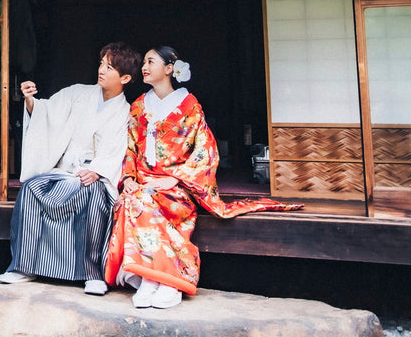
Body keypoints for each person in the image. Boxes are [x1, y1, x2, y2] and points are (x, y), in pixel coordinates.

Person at [105, 46, 301, 309]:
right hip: (145, 180)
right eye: (145, 62)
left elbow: (205, 150)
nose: (145, 66)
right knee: (132, 197)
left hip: (178, 185)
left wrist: (174, 178)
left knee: (144, 200)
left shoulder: (189, 105)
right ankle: (152, 278)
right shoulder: (139, 105)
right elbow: (129, 146)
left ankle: (167, 280)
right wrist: (128, 176)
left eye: (151, 61)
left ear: (169, 69)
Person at [0, 41, 142, 295]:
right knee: (30, 189)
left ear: (126, 78)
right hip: (64, 171)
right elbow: (46, 112)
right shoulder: (78, 93)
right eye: (101, 64)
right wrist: (30, 101)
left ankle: (91, 273)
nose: (102, 70)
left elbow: (120, 148)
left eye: (109, 67)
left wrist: (98, 170)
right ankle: (23, 266)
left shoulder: (125, 111)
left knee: (94, 194)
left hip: (94, 175)